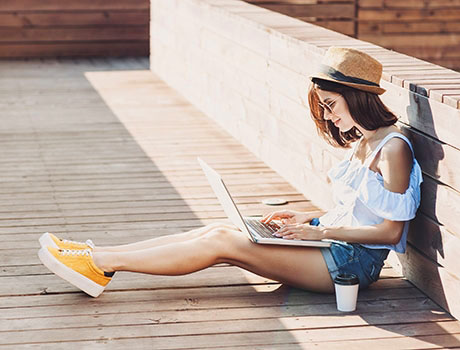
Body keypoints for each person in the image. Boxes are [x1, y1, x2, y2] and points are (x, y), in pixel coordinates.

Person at [37, 47, 422, 298]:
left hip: (351, 263)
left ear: (356, 97)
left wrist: (320, 232)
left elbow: (390, 231)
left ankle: (101, 264)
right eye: (322, 106)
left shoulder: (393, 149)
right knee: (220, 230)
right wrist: (309, 218)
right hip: (332, 244)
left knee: (224, 242)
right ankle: (96, 256)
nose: (328, 115)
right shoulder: (366, 141)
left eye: (330, 104)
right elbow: (359, 209)